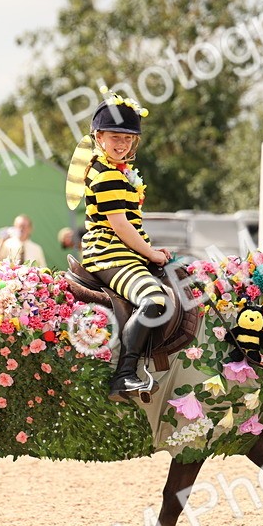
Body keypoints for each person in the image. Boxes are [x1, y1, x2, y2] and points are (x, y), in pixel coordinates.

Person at [77, 92, 172, 402]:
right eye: (115, 137)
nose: (122, 144)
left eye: (128, 138)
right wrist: (151, 253)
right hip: (109, 254)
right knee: (153, 298)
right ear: (99, 137)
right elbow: (120, 225)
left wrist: (152, 250)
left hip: (124, 253)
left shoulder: (118, 171)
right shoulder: (106, 174)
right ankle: (124, 375)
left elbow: (132, 223)